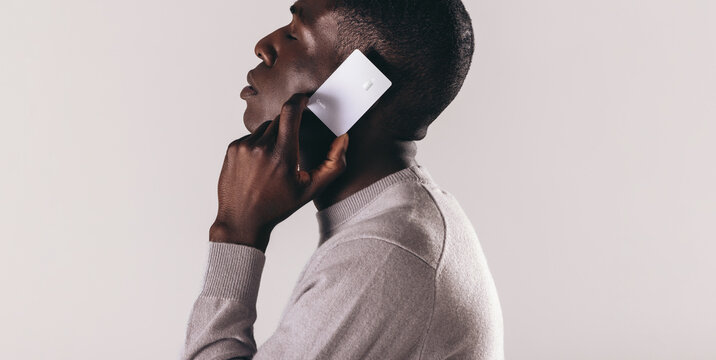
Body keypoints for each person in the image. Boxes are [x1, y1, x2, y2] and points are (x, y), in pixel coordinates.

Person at [181, 0, 504, 358]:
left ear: (359, 86)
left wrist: (236, 232)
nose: (264, 46)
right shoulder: (398, 223)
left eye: (294, 35)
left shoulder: (383, 254)